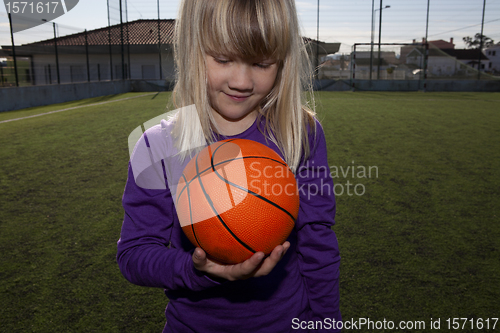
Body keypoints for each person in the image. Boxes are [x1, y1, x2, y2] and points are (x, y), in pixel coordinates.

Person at [117, 0, 341, 332]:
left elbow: (317, 239)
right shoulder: (158, 146)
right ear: (192, 49)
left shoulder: (300, 134)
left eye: (262, 63)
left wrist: (325, 323)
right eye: (223, 59)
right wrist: (198, 269)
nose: (241, 81)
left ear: (283, 61)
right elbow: (134, 254)